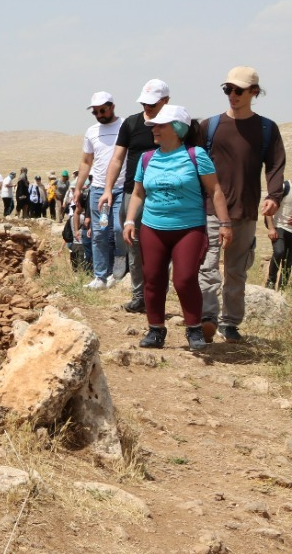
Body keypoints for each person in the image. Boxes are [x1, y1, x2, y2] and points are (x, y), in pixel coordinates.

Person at [124, 104, 232, 350]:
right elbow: (138, 193)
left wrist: (225, 224)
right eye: (153, 125)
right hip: (153, 227)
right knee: (152, 278)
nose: (154, 129)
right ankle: (155, 330)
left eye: (160, 125)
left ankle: (194, 329)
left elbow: (215, 191)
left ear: (177, 128)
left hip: (189, 228)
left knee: (184, 279)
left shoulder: (196, 155)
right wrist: (130, 220)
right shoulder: (146, 158)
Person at [195, 66, 287, 343]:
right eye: (227, 89)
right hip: (210, 209)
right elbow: (194, 164)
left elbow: (275, 165)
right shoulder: (209, 127)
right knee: (207, 267)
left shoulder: (266, 129)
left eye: (238, 90)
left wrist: (273, 196)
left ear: (254, 92)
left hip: (246, 211)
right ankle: (207, 318)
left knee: (236, 271)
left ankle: (230, 323)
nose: (231, 95)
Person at [102, 80, 170, 315]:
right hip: (134, 192)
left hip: (165, 192)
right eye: (144, 103)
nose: (147, 107)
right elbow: (118, 158)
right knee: (134, 245)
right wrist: (108, 189)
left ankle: (158, 296)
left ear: (166, 101)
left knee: (163, 246)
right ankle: (139, 296)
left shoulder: (175, 123)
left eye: (153, 104)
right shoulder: (131, 123)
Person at [73, 91, 123, 289]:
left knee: (119, 230)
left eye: (102, 110)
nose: (100, 115)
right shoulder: (91, 131)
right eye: (95, 112)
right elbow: (86, 161)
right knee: (100, 232)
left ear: (112, 107)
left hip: (120, 189)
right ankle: (101, 276)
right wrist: (78, 188)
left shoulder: (124, 126)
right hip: (98, 190)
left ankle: (119, 270)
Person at [267, 197, 292, 290]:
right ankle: (270, 283)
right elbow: (268, 208)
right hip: (279, 227)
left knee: (288, 262)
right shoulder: (284, 187)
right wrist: (271, 228)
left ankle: (282, 289)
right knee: (279, 251)